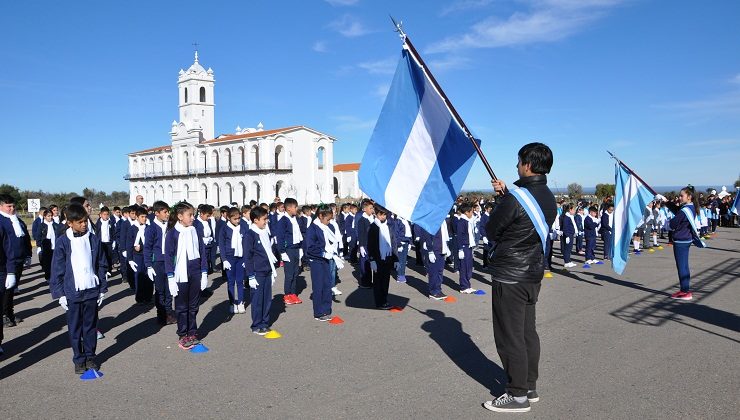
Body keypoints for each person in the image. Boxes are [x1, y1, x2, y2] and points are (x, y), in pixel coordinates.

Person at [483, 142, 556, 413]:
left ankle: (517, 395)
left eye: (518, 162)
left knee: (509, 336)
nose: (516, 166)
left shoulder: (516, 198)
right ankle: (529, 385)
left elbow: (492, 230)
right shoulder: (548, 196)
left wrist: (504, 198)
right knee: (527, 332)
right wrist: (508, 193)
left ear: (527, 164)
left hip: (510, 274)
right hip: (532, 273)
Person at [49, 203, 108, 374]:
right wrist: (59, 294)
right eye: (80, 222)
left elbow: (100, 264)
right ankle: (78, 359)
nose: (84, 224)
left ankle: (90, 357)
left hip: (91, 290)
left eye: (86, 221)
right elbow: (57, 270)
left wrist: (102, 288)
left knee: (90, 326)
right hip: (72, 292)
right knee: (75, 328)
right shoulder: (62, 242)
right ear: (70, 223)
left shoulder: (93, 239)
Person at [165, 202, 208, 350]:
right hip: (180, 275)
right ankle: (183, 335)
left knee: (193, 306)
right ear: (179, 216)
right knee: (182, 307)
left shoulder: (195, 231)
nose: (192, 217)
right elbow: (169, 257)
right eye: (189, 215)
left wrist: (204, 272)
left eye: (193, 214)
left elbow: (201, 252)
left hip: (195, 273)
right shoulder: (172, 233)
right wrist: (170, 277)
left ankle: (192, 333)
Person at [662, 186, 704, 301]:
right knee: (684, 266)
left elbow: (673, 224)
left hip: (681, 240)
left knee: (682, 267)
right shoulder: (690, 207)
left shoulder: (685, 210)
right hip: (686, 239)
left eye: (682, 195)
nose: (680, 197)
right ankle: (684, 289)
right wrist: (666, 202)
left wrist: (665, 223)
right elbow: (677, 210)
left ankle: (685, 291)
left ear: (689, 197)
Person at [243, 206, 277, 335]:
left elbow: (269, 252)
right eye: (264, 219)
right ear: (255, 220)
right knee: (257, 299)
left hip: (267, 270)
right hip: (257, 272)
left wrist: (272, 270)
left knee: (267, 299)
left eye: (267, 218)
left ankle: (265, 322)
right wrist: (250, 275)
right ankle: (256, 325)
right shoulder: (249, 235)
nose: (266, 221)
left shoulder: (265, 233)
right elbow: (248, 256)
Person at [0, 194, 31, 327]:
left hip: (17, 261)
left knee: (11, 291)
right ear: (1, 206)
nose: (12, 209)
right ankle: (4, 315)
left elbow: (25, 239)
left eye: (13, 206)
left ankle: (9, 313)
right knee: (5, 291)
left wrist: (28, 254)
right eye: (9, 206)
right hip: (5, 263)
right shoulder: (1, 221)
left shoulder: (17, 220)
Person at [305, 206, 340, 322]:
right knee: (318, 286)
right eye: (328, 219)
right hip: (316, 261)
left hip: (325, 260)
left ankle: (327, 310)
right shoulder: (313, 228)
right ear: (320, 216)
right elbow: (310, 247)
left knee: (327, 284)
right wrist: (323, 253)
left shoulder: (325, 227)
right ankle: (318, 312)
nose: (329, 222)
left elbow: (331, 241)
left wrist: (334, 253)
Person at [144, 201, 175, 325]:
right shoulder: (151, 228)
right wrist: (148, 265)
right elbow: (147, 247)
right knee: (160, 290)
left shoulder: (169, 226)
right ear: (157, 213)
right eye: (165, 212)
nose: (167, 214)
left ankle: (169, 313)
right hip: (157, 263)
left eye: (168, 212)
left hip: (169, 261)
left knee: (169, 290)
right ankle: (161, 314)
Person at [367, 205, 397, 309]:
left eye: (385, 215)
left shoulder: (388, 226)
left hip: (387, 258)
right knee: (378, 282)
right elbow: (370, 245)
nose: (383, 217)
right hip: (377, 258)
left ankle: (384, 299)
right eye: (381, 214)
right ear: (376, 214)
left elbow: (393, 242)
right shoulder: (373, 227)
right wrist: (372, 260)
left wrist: (396, 258)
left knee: (386, 281)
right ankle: (379, 302)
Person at [275, 198, 304, 305]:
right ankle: (287, 295)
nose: (297, 209)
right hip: (289, 250)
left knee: (295, 272)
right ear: (288, 208)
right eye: (295, 207)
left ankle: (293, 293)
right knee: (289, 274)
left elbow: (298, 233)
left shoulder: (295, 219)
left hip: (296, 248)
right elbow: (280, 237)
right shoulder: (283, 220)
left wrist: (300, 248)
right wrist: (282, 252)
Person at [219, 207, 247, 314]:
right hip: (229, 258)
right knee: (231, 281)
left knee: (240, 281)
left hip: (240, 257)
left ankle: (240, 302)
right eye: (235, 219)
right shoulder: (224, 229)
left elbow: (245, 243)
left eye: (239, 218)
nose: (237, 221)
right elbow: (221, 245)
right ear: (229, 218)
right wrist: (224, 259)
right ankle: (232, 303)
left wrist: (246, 258)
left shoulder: (242, 227)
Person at [127, 206, 153, 304]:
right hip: (137, 256)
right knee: (139, 276)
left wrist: (142, 247)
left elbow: (151, 242)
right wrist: (130, 259)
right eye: (142, 217)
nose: (144, 219)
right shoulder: (132, 228)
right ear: (137, 217)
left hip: (147, 255)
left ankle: (148, 297)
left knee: (149, 276)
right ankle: (140, 298)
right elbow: (129, 244)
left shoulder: (148, 228)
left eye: (145, 217)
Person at [420, 220, 451, 300]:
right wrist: (430, 251)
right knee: (433, 271)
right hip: (434, 250)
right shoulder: (431, 221)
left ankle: (438, 289)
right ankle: (433, 291)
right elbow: (427, 236)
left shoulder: (442, 222)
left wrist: (446, 247)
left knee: (440, 271)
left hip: (441, 249)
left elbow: (444, 237)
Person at [455, 203, 477, 293]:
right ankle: (464, 287)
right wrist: (460, 249)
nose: (472, 213)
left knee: (469, 266)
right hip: (464, 246)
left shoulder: (467, 221)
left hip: (468, 246)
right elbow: (459, 236)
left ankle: (467, 285)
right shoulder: (461, 222)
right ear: (467, 212)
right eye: (471, 212)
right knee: (464, 267)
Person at [356, 200, 375, 289]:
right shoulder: (362, 220)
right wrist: (361, 246)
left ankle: (371, 280)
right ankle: (365, 282)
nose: (372, 210)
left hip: (372, 245)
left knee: (372, 263)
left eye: (372, 208)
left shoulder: (373, 218)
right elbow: (361, 234)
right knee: (365, 264)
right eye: (370, 208)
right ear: (364, 209)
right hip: (365, 245)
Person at [38, 210, 60, 280]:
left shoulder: (56, 225)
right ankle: (48, 276)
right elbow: (38, 236)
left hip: (54, 246)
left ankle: (55, 276)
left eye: (51, 216)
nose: (50, 217)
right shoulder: (41, 225)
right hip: (46, 246)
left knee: (55, 262)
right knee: (47, 262)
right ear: (44, 217)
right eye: (48, 216)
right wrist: (39, 245)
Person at [95, 206, 115, 275]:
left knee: (109, 256)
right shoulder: (98, 223)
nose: (106, 216)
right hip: (101, 242)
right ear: (100, 215)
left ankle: (109, 270)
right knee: (102, 257)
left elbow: (113, 232)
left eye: (107, 214)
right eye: (104, 214)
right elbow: (96, 232)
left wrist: (113, 241)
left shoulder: (111, 222)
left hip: (109, 242)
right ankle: (103, 270)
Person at [560, 204, 577, 268]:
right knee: (567, 249)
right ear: (570, 210)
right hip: (568, 235)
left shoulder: (570, 216)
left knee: (569, 249)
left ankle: (569, 260)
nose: (575, 211)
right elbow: (565, 227)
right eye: (574, 210)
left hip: (571, 234)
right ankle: (566, 262)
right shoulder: (566, 217)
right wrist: (567, 236)